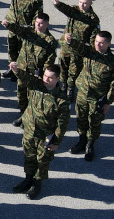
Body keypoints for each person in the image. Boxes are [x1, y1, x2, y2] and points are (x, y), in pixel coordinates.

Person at [8, 63, 69, 200]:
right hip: (30, 131)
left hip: (44, 136)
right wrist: (16, 70)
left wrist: (56, 142)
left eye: (50, 78)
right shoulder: (37, 85)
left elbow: (62, 124)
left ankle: (36, 184)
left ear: (58, 79)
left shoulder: (61, 99)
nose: (46, 80)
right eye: (45, 76)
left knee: (41, 161)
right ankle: (28, 180)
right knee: (29, 157)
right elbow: (26, 78)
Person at [64, 31, 114, 161]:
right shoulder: (90, 52)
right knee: (81, 119)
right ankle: (82, 141)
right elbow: (80, 48)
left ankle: (90, 145)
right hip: (82, 94)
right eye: (96, 41)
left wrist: (108, 102)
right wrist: (70, 40)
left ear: (108, 43)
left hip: (97, 98)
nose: (98, 45)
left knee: (94, 123)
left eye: (101, 43)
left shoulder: (113, 62)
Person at [2, 14, 58, 127]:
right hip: (22, 70)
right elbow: (19, 29)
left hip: (34, 74)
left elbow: (50, 59)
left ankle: (28, 119)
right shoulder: (30, 31)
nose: (38, 24)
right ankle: (23, 115)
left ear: (47, 24)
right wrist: (9, 25)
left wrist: (44, 74)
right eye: (37, 22)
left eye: (41, 23)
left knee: (32, 97)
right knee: (21, 95)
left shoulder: (50, 41)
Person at [1, 0, 42, 78]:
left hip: (24, 30)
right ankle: (11, 68)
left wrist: (31, 29)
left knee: (22, 51)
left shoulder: (36, 0)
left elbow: (37, 18)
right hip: (12, 26)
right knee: (11, 48)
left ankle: (18, 72)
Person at [53, 0, 100, 87]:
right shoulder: (75, 10)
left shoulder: (93, 19)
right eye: (80, 2)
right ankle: (63, 87)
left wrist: (91, 51)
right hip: (66, 46)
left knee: (74, 72)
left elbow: (93, 38)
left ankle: (70, 89)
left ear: (91, 3)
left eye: (85, 3)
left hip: (78, 50)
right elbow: (66, 9)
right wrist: (58, 4)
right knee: (62, 68)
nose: (81, 5)